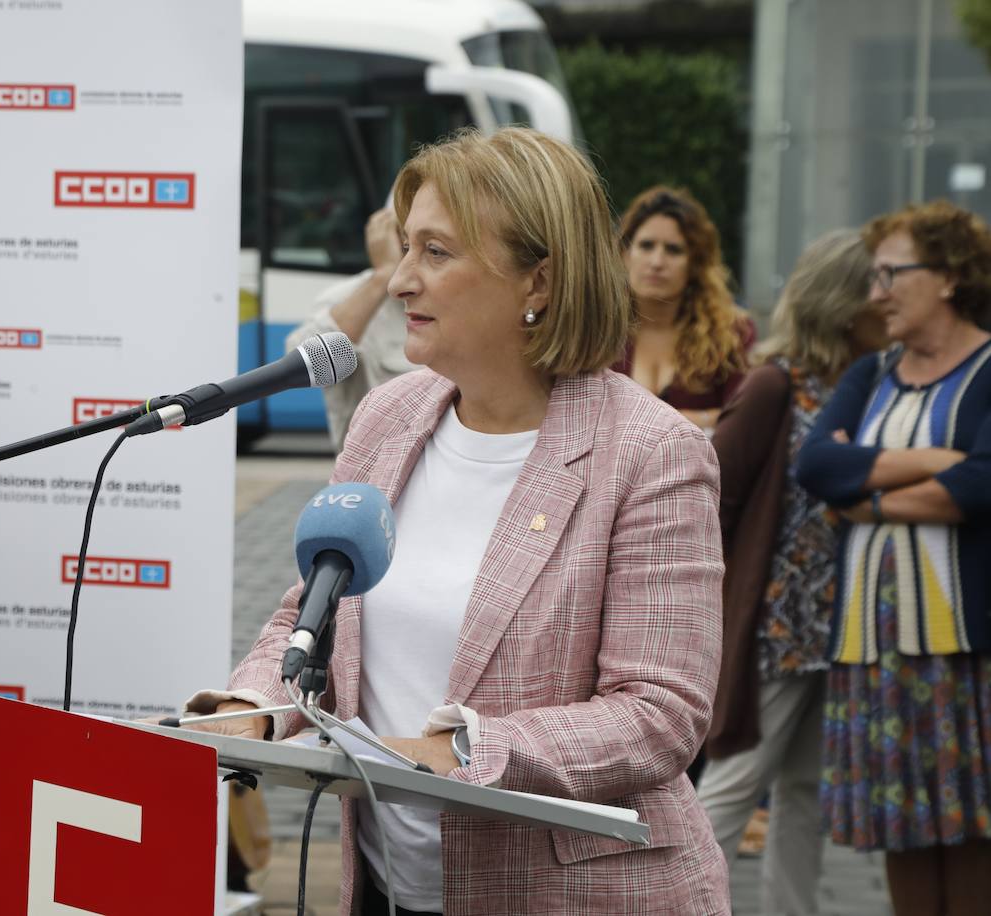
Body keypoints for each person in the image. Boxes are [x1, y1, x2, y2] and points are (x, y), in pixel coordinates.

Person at [183, 127, 729, 915]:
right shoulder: (388, 416)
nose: (402, 280)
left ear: (536, 280)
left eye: (435, 253)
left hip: (579, 895)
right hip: (392, 889)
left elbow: (659, 715)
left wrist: (459, 751)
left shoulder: (651, 453)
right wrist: (253, 710)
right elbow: (309, 617)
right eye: (407, 249)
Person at [796, 200, 991, 916]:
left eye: (891, 274)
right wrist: (934, 462)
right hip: (872, 643)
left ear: (946, 277)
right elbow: (816, 466)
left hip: (960, 648)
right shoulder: (871, 373)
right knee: (900, 827)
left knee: (969, 827)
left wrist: (869, 497)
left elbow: (981, 485)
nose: (875, 292)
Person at [695, 230, 886, 916]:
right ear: (843, 298)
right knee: (736, 778)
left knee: (807, 793)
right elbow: (709, 497)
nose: (889, 299)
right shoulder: (776, 383)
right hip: (774, 624)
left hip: (838, 625)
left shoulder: (868, 383)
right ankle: (673, 902)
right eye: (878, 283)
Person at [613, 186, 754, 432]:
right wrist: (699, 418)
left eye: (673, 250)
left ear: (695, 264)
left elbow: (745, 421)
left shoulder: (732, 333)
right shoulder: (596, 331)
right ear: (625, 254)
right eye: (646, 246)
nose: (657, 262)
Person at [285, 205, 419, 451]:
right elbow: (299, 361)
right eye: (408, 240)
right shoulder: (352, 295)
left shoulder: (461, 295)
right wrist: (383, 277)